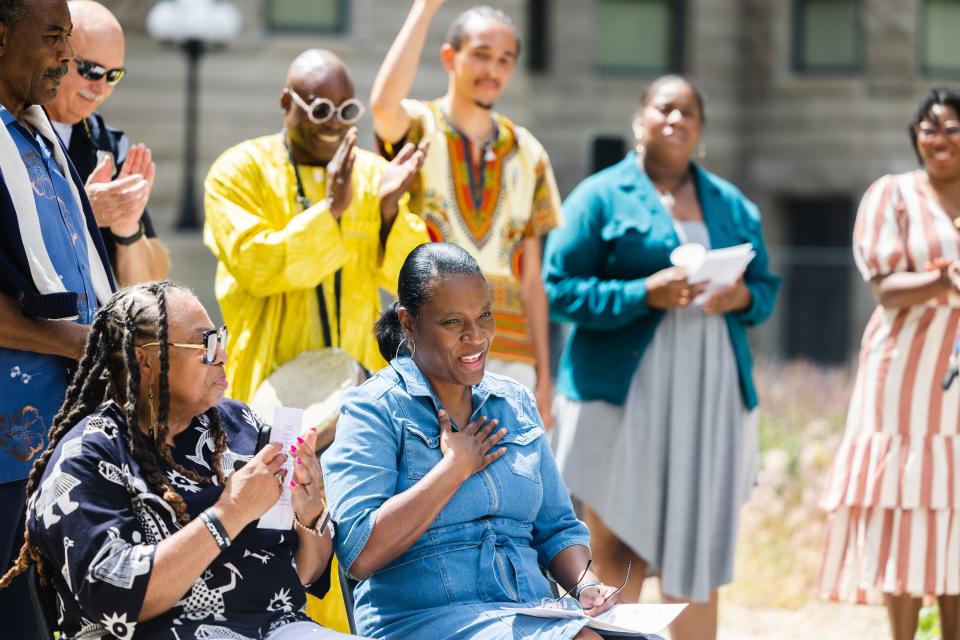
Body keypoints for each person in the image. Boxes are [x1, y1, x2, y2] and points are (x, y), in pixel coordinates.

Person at [543, 76, 780, 640]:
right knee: (612, 541)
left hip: (708, 390)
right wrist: (640, 294)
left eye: (689, 112)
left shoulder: (732, 204)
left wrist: (738, 295)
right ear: (639, 119)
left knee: (695, 544)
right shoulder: (600, 195)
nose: (677, 120)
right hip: (622, 393)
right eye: (664, 108)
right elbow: (559, 286)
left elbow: (766, 289)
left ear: (701, 129)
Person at [0, 281, 368, 640]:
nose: (222, 354)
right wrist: (231, 513)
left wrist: (309, 513)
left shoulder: (242, 426)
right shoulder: (85, 458)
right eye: (205, 344)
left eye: (219, 339)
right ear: (144, 360)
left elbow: (303, 574)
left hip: (281, 628)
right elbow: (116, 597)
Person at [203, 48, 428, 632]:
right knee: (267, 550)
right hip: (266, 401)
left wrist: (383, 213)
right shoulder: (237, 170)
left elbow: (411, 275)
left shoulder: (372, 173)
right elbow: (258, 264)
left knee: (346, 540)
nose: (335, 123)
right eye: (321, 107)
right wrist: (330, 211)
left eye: (347, 109)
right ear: (287, 104)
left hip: (352, 404)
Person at [322, 243, 647, 640]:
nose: (476, 337)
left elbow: (557, 527)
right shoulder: (374, 409)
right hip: (421, 619)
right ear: (409, 324)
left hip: (526, 610)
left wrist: (585, 584)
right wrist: (452, 470)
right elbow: (359, 553)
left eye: (484, 316)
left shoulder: (514, 402)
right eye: (453, 323)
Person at [370, 1, 561, 426]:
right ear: (449, 57)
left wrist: (545, 377)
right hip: (433, 348)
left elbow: (532, 278)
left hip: (511, 353)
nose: (492, 69)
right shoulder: (420, 129)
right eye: (480, 54)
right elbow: (383, 106)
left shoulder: (529, 152)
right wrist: (423, 9)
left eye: (504, 60)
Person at [819, 87, 960, 640]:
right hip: (902, 380)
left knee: (955, 513)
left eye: (952, 127)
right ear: (914, 136)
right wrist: (942, 279)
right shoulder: (892, 195)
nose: (940, 138)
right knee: (903, 507)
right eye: (928, 127)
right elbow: (883, 288)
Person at [0, 0, 115, 635]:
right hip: (6, 460)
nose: (66, 59)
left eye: (69, 40)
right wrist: (88, 344)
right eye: (51, 37)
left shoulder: (40, 138)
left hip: (67, 446)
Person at [45, 0, 168, 287]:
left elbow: (148, 286)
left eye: (113, 75)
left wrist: (128, 230)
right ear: (56, 54)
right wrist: (84, 211)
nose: (100, 88)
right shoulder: (13, 123)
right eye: (91, 70)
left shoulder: (110, 142)